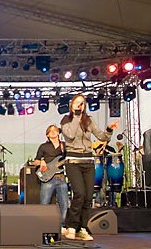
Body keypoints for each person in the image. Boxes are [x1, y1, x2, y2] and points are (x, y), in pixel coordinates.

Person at [61, 94, 118, 241]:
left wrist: (109, 129)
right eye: (77, 103)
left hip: (88, 161)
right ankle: (71, 226)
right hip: (73, 161)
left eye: (82, 103)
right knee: (79, 193)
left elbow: (102, 137)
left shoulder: (89, 120)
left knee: (87, 197)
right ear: (72, 105)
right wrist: (76, 116)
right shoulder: (66, 120)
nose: (80, 105)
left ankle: (82, 228)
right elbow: (71, 135)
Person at [33, 124, 68, 234]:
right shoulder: (43, 146)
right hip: (48, 178)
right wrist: (42, 162)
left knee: (64, 204)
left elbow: (69, 158)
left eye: (55, 130)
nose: (53, 132)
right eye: (50, 131)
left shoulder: (64, 146)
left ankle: (62, 225)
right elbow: (35, 161)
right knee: (44, 203)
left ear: (58, 132)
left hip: (61, 177)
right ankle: (44, 226)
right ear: (47, 134)